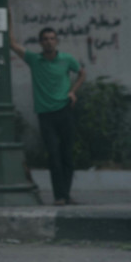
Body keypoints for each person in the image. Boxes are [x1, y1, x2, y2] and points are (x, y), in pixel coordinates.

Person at [9, 27, 86, 206]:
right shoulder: (35, 60)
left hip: (64, 111)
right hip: (45, 114)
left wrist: (73, 92)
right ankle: (59, 196)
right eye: (45, 39)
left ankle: (66, 195)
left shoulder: (66, 59)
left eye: (52, 38)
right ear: (41, 42)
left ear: (56, 41)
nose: (49, 41)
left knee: (67, 154)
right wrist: (9, 17)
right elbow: (12, 44)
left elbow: (81, 73)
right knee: (53, 155)